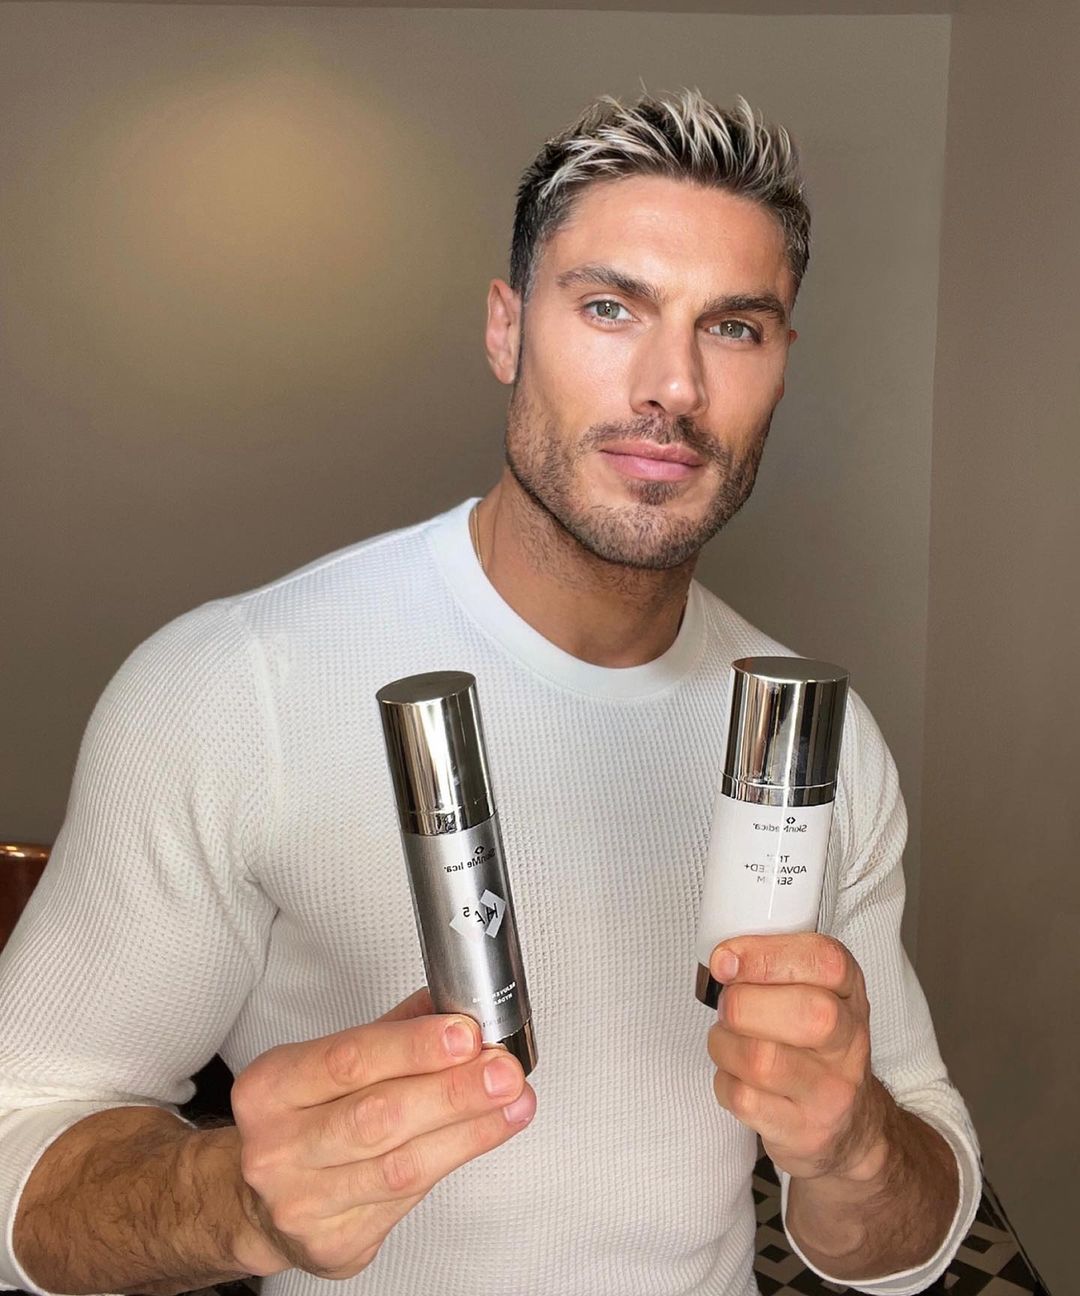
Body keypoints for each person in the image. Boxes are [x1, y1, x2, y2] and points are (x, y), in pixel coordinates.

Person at [1, 89, 980, 1296]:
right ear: (507, 330)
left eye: (734, 327)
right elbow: (17, 1142)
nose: (673, 385)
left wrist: (854, 1147)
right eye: (611, 307)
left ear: (780, 365)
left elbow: (910, 1234)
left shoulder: (826, 754)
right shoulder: (234, 686)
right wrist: (233, 1200)